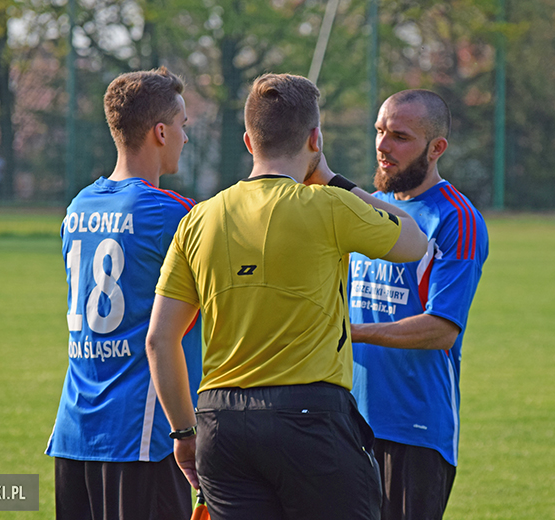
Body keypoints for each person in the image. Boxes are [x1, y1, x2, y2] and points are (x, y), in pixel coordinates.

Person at [145, 73, 429, 520]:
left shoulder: (198, 219)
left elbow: (160, 340)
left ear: (248, 141)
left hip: (221, 423)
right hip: (309, 418)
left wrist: (183, 433)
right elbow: (414, 240)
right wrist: (331, 178)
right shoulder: (330, 205)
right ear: (315, 139)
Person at [45, 67, 202, 520]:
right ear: (160, 132)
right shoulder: (171, 214)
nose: (185, 138)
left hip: (74, 433)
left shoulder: (78, 207)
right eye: (182, 126)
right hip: (142, 436)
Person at [347, 89, 489, 520]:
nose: (383, 145)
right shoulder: (370, 211)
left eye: (400, 136)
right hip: (347, 421)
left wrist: (349, 333)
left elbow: (441, 328)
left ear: (436, 147)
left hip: (414, 428)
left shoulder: (455, 218)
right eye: (379, 131)